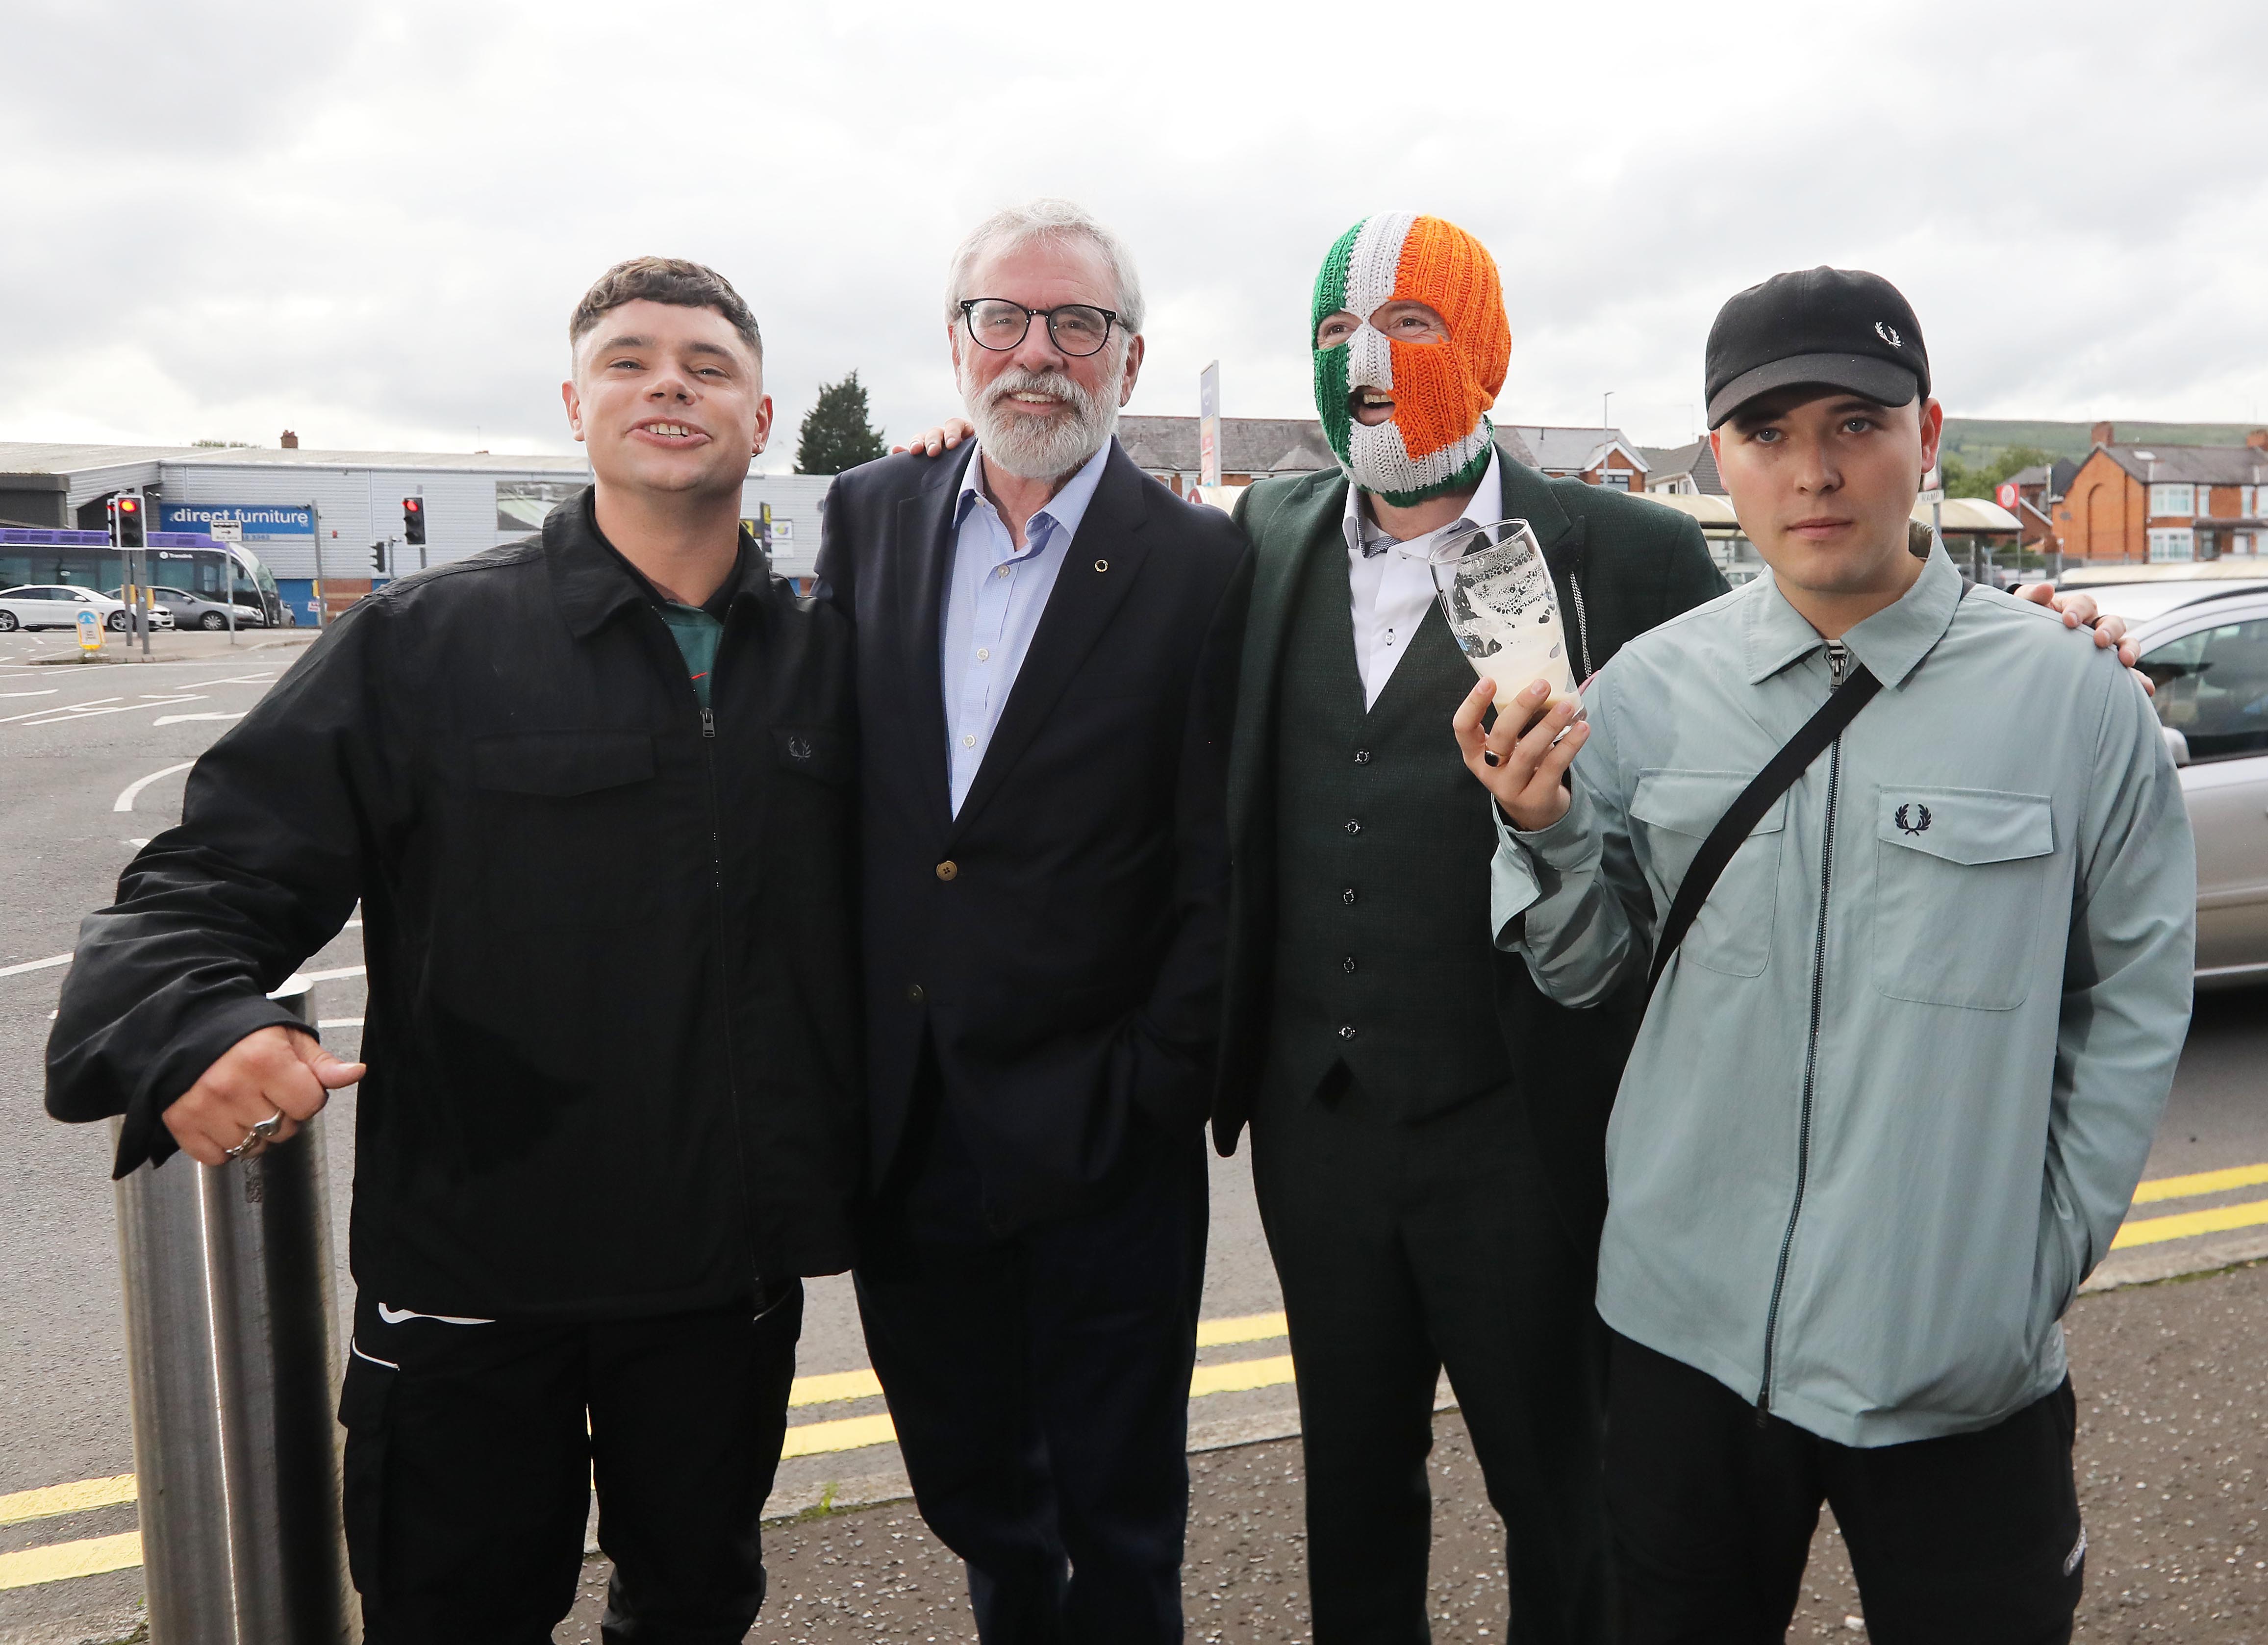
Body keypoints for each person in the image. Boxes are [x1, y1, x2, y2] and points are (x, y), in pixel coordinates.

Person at [47, 257, 860, 1645]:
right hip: (475, 1284)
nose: (669, 379)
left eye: (708, 363)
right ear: (575, 405)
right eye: (629, 358)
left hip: (723, 1284)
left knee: (699, 1607)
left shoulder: (828, 661)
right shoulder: (428, 644)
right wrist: (193, 1021)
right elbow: (204, 878)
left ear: (763, 415)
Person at [1466, 266, 2195, 1643]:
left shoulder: (2070, 701)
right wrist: (1541, 829)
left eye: (1854, 423)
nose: (1813, 471)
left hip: (1951, 1359)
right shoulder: (1639, 696)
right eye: (1766, 433)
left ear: (1927, 435)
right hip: (1682, 1339)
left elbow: (2131, 1003)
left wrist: (2025, 1263)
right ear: (1717, 456)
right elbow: (1581, 973)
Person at [813, 200, 1249, 1643]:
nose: (1037, 355)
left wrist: (1154, 1082)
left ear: (1130, 357)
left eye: (1077, 325)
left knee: (1119, 1520)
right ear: (955, 344)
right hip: (911, 1126)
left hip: (1100, 1138)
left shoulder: (1199, 566)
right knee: (974, 1493)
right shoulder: (872, 512)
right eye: (1003, 320)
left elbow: (1213, 857)